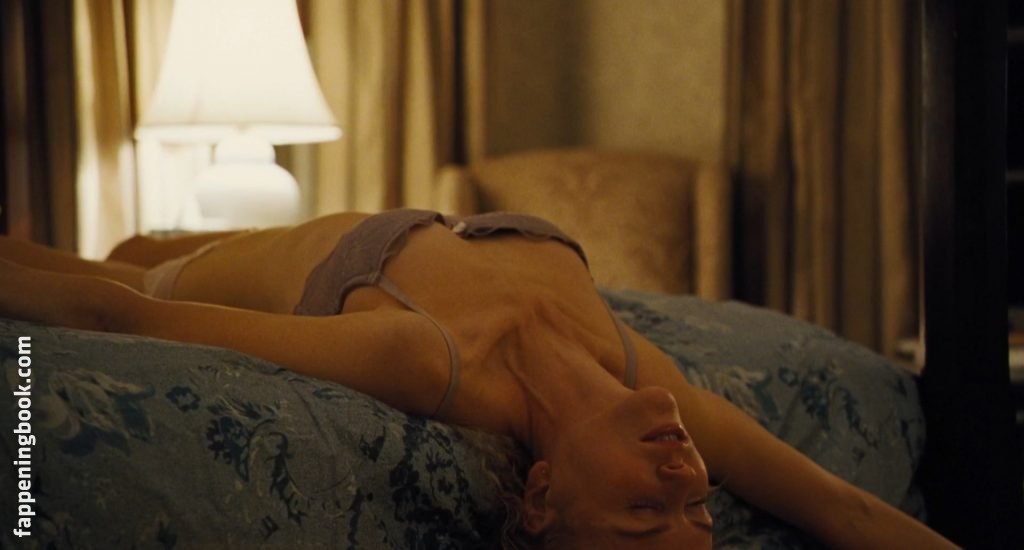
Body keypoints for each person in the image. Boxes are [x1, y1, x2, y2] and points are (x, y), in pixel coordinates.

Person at [0, 209, 955, 549]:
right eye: (697, 511)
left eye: (642, 512)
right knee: (127, 242)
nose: (682, 479)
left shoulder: (428, 360)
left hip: (225, 271)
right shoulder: (643, 379)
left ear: (540, 495)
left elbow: (125, 319)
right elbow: (846, 510)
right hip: (361, 215)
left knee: (115, 267)